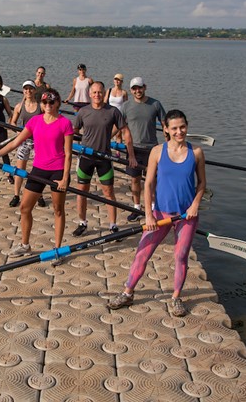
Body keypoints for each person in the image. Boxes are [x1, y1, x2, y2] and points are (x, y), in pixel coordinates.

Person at [106, 109, 207, 317]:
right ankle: (128, 292)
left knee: (180, 256)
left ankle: (176, 297)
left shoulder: (196, 152)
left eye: (182, 127)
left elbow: (202, 183)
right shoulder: (158, 152)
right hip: (160, 212)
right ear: (166, 130)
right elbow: (149, 183)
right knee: (142, 252)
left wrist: (195, 204)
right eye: (175, 128)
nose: (180, 131)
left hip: (186, 215)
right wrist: (149, 214)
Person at [0, 89, 74, 264]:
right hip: (39, 169)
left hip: (58, 170)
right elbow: (15, 143)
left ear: (58, 103)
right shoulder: (35, 121)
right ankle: (25, 245)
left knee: (58, 210)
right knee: (25, 208)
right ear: (41, 104)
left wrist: (64, 178)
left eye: (51, 102)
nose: (47, 106)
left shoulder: (65, 123)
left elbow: (69, 154)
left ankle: (57, 250)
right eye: (44, 103)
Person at [72, 81, 136, 237]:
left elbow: (126, 131)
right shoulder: (83, 111)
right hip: (86, 157)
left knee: (109, 192)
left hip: (104, 158)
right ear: (90, 94)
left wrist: (131, 154)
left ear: (104, 94)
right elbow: (73, 130)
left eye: (100, 92)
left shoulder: (113, 111)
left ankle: (113, 225)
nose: (97, 95)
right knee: (82, 192)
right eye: (94, 92)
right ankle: (82, 223)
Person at [120, 76, 166, 218]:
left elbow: (165, 125)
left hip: (152, 149)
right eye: (134, 89)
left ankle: (153, 208)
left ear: (145, 87)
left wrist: (170, 143)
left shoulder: (156, 104)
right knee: (135, 180)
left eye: (140, 87)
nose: (138, 91)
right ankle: (137, 208)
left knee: (151, 180)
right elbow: (119, 126)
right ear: (131, 91)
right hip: (133, 149)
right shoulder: (126, 106)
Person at [8, 80, 47, 209]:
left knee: (39, 169)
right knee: (20, 169)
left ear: (34, 90)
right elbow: (13, 122)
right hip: (24, 140)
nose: (28, 91)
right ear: (23, 91)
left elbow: (48, 120)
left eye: (30, 89)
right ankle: (16, 195)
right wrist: (17, 130)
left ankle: (39, 195)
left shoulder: (41, 106)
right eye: (26, 89)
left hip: (39, 141)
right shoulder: (19, 106)